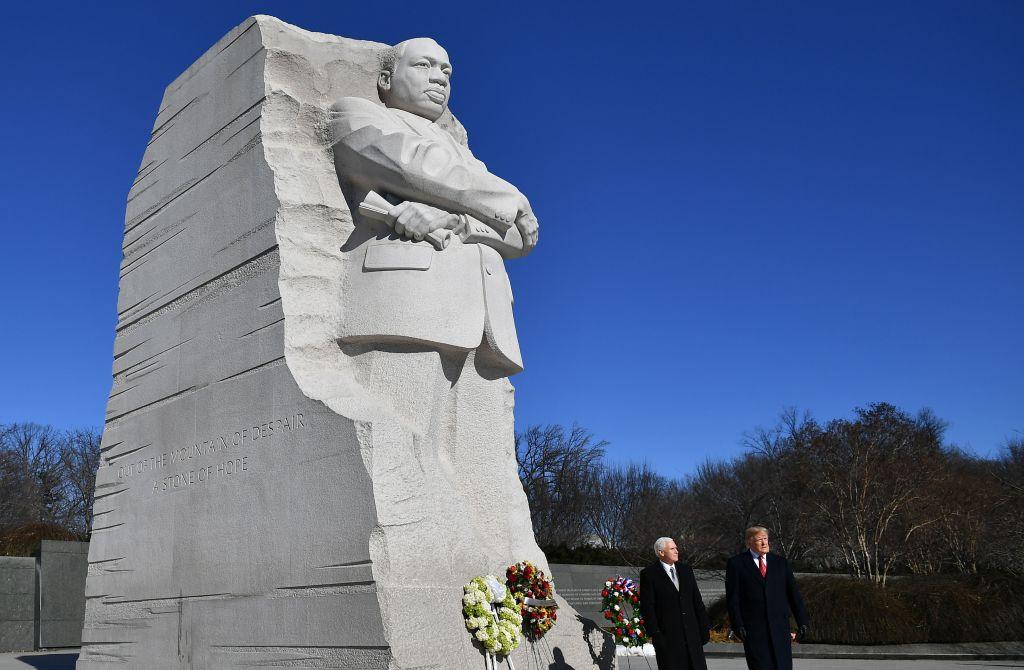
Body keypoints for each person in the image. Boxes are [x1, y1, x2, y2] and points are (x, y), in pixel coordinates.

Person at [330, 37, 537, 378]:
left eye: (446, 71)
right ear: (385, 80)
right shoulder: (355, 113)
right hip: (404, 303)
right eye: (423, 65)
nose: (440, 78)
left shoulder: (468, 159)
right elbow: (416, 165)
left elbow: (521, 239)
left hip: (486, 327)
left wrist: (458, 221)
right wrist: (513, 197)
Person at [725, 527, 810, 670]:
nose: (764, 543)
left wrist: (802, 621)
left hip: (780, 630)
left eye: (766, 538)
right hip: (754, 631)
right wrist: (738, 625)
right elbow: (733, 599)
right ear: (749, 543)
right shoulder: (736, 564)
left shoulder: (781, 563)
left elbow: (794, 595)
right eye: (759, 539)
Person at [638, 537, 710, 670]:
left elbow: (697, 601)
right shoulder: (649, 574)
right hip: (668, 639)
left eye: (676, 548)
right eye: (672, 548)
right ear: (661, 552)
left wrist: (704, 628)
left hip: (692, 637)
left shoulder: (686, 570)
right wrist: (655, 634)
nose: (677, 551)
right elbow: (648, 607)